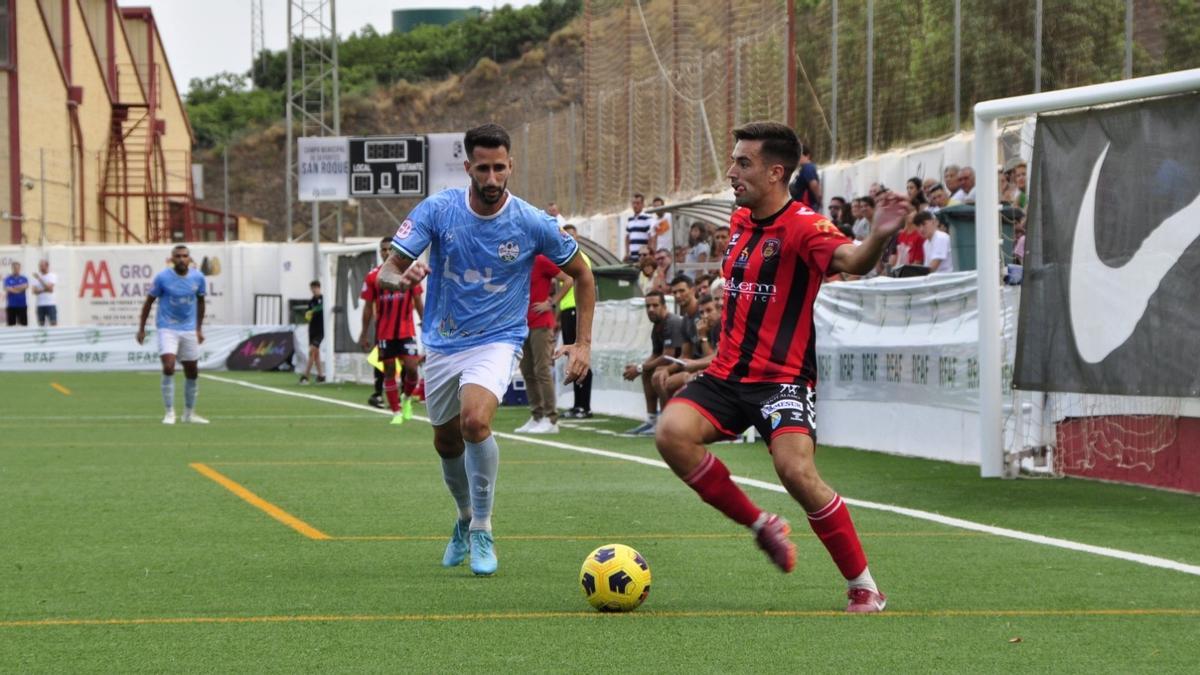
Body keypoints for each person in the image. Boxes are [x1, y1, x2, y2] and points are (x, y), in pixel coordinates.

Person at [655, 121, 907, 613]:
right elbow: (745, 312)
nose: (731, 171)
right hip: (729, 375)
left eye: (742, 163)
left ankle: (864, 585)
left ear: (776, 173)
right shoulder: (741, 221)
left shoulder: (806, 227)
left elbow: (852, 261)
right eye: (733, 160)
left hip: (782, 381)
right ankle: (761, 525)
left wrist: (878, 235)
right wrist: (698, 365)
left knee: (795, 470)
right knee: (670, 434)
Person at [376, 123, 594, 576]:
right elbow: (386, 272)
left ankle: (483, 527)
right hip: (442, 340)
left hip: (498, 339)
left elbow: (584, 273)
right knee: (445, 439)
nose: (492, 179)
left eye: (500, 168)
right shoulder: (439, 209)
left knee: (476, 421)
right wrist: (406, 276)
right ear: (467, 167)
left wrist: (582, 343)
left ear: (511, 166)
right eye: (483, 169)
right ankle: (462, 516)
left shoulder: (532, 221)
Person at [136, 245, 209, 425]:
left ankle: (189, 414)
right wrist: (142, 328)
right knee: (168, 366)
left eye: (185, 256)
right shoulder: (162, 278)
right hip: (167, 328)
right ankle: (169, 412)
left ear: (189, 259)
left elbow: (201, 303)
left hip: (189, 329)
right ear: (172, 259)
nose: (182, 259)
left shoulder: (198, 278)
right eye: (178, 256)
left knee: (192, 371)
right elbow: (148, 302)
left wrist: (198, 329)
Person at [361, 237, 425, 425]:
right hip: (384, 332)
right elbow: (367, 307)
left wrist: (426, 324)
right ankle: (396, 411)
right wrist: (364, 333)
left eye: (390, 249)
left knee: (412, 369)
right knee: (389, 371)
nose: (387, 252)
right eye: (384, 249)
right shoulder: (373, 276)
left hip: (406, 330)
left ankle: (406, 399)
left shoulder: (409, 274)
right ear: (380, 252)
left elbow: (418, 302)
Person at [515, 254, 573, 434]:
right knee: (527, 371)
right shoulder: (519, 260)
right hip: (522, 324)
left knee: (542, 370)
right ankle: (537, 415)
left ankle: (551, 417)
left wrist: (552, 302)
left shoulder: (541, 260)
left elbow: (568, 279)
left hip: (540, 324)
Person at [622, 290, 686, 435]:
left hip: (688, 363)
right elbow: (656, 354)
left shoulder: (672, 322)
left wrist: (639, 368)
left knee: (658, 374)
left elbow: (668, 357)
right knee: (648, 372)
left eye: (655, 305)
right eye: (648, 306)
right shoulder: (657, 326)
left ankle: (666, 419)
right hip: (676, 363)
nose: (651, 309)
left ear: (664, 306)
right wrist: (641, 368)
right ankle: (652, 419)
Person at [652, 292, 720, 403]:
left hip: (716, 374)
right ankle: (660, 417)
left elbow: (716, 360)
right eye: (702, 312)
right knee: (659, 377)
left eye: (709, 310)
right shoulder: (688, 322)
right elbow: (685, 355)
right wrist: (667, 369)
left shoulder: (720, 327)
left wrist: (702, 337)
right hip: (703, 369)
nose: (705, 316)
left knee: (677, 384)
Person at [560, 224, 594, 420]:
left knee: (580, 354)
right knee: (572, 357)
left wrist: (552, 302)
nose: (569, 238)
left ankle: (584, 406)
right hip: (567, 311)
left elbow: (573, 281)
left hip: (577, 311)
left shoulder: (579, 259)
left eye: (571, 235)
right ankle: (577, 404)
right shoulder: (562, 258)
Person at [299, 280, 326, 384]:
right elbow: (309, 313)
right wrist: (308, 315)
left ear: (319, 288)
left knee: (312, 352)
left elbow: (321, 308)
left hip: (320, 330)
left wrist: (312, 311)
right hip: (312, 329)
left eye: (315, 288)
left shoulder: (324, 299)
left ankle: (305, 376)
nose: (313, 290)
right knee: (316, 354)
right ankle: (320, 376)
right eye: (312, 288)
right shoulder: (311, 301)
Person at [788, 142, 821, 211]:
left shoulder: (808, 167)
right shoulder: (803, 168)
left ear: (807, 156)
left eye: (800, 156)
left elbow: (814, 184)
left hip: (807, 206)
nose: (797, 159)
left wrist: (819, 200)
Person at [623, 193, 655, 262]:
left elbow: (651, 237)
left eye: (638, 203)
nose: (635, 206)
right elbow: (627, 237)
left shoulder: (648, 218)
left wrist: (647, 254)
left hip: (643, 258)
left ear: (643, 205)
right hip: (632, 257)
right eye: (633, 203)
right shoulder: (630, 219)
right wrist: (627, 253)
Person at [30, 260, 58, 326]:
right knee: (41, 324)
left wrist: (40, 279)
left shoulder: (52, 276)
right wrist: (45, 289)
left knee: (53, 323)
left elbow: (50, 289)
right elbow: (34, 291)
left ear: (47, 266)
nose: (40, 268)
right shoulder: (35, 277)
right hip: (40, 304)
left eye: (42, 266)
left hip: (50, 304)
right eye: (39, 266)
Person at [5, 262, 29, 326]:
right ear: (12, 268)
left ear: (20, 269)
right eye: (15, 268)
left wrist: (14, 287)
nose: (16, 269)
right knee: (11, 325)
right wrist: (19, 289)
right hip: (11, 305)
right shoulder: (8, 279)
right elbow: (8, 289)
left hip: (22, 305)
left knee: (23, 325)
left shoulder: (24, 278)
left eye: (18, 268)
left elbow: (25, 286)